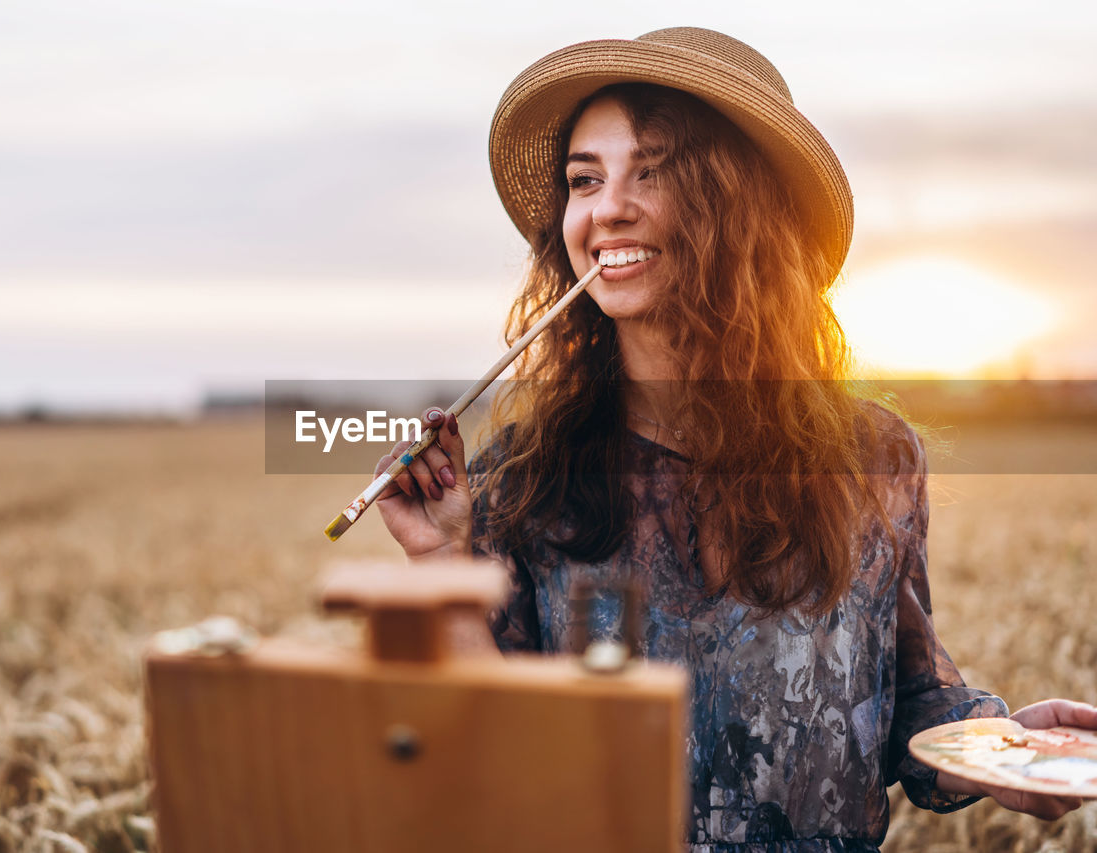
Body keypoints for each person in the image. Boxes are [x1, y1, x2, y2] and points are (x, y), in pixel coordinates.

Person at [371, 27, 1096, 850]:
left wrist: (1008, 750)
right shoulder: (524, 480)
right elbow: (498, 752)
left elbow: (896, 708)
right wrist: (441, 563)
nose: (608, 206)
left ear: (739, 203)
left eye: (654, 170)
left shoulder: (874, 460)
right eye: (585, 178)